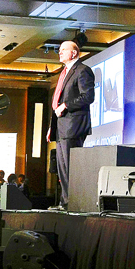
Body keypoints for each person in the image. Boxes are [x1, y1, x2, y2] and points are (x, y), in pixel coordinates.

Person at [48, 40, 95, 210]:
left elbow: (88, 97)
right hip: (62, 126)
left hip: (73, 126)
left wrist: (66, 105)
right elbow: (57, 101)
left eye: (63, 50)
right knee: (62, 168)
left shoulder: (82, 70)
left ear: (74, 53)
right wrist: (52, 126)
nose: (59, 52)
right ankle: (65, 202)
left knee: (70, 167)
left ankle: (73, 203)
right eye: (59, 50)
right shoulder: (65, 72)